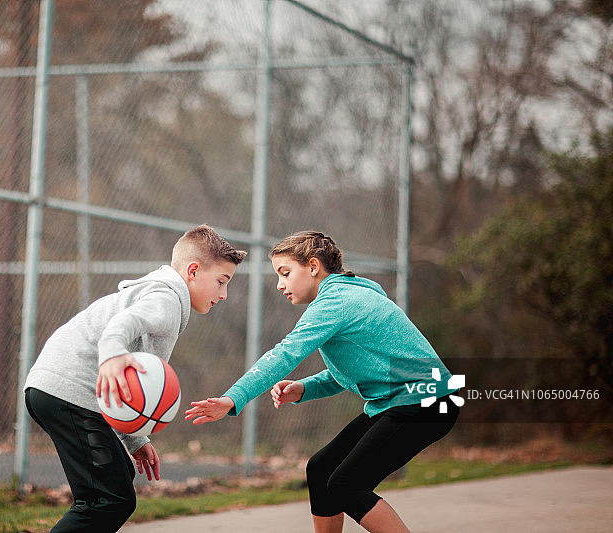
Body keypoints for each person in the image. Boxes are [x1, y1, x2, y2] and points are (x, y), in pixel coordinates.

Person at [185, 230, 459, 533]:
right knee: (321, 470)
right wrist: (305, 388)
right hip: (405, 401)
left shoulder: (334, 303)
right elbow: (357, 371)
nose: (280, 284)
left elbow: (284, 355)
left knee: (346, 484)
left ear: (313, 267)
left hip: (424, 402)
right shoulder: (351, 294)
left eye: (285, 273)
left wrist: (233, 398)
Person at [25, 224, 246, 532]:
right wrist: (113, 352)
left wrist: (135, 439)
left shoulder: (162, 294)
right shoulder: (167, 301)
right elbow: (122, 324)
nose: (224, 294)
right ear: (193, 271)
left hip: (57, 390)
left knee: (114, 487)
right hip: (69, 392)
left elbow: (136, 388)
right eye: (222, 282)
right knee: (110, 500)